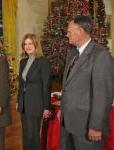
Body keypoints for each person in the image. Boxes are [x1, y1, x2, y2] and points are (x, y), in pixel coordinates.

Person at [59, 15, 114, 150]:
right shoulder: (72, 53)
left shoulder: (101, 55)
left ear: (81, 31)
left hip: (87, 127)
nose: (67, 35)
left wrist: (96, 126)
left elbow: (103, 95)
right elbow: (67, 87)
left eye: (69, 32)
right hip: (68, 124)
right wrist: (63, 110)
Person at [16, 33, 52, 150]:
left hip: (36, 103)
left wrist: (47, 107)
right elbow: (21, 84)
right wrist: (18, 101)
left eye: (30, 43)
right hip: (24, 104)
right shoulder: (22, 62)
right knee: (25, 135)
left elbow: (46, 86)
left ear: (36, 45)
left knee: (33, 136)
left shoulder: (43, 62)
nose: (27, 46)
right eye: (25, 44)